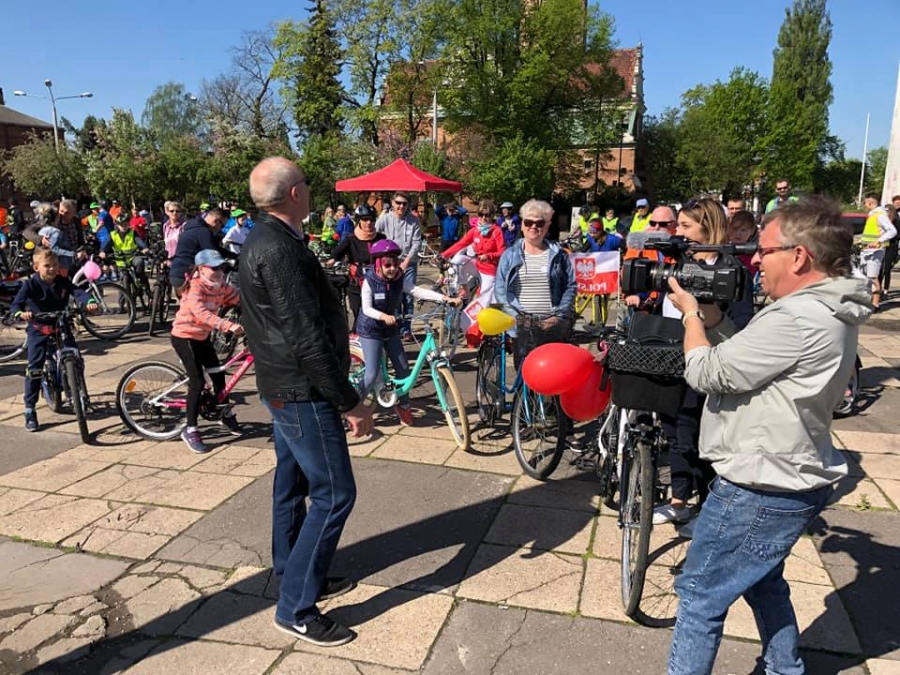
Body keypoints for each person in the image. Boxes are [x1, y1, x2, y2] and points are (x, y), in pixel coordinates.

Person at [664, 198, 871, 675]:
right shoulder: (827, 308)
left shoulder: (795, 317)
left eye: (764, 250)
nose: (755, 260)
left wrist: (691, 316)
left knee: (699, 595)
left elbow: (709, 373)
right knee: (763, 582)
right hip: (791, 472)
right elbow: (748, 358)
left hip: (760, 484)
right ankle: (784, 668)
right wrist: (714, 320)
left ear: (798, 257)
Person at [239, 156, 373, 647]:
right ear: (294, 193)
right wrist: (349, 401)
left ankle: (294, 572)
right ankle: (296, 606)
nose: (310, 190)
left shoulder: (269, 238)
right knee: (334, 494)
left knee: (291, 485)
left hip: (284, 387)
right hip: (301, 391)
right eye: (306, 183)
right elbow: (305, 336)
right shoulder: (277, 248)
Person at [652, 198, 753, 532]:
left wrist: (705, 315)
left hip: (709, 364)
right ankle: (679, 500)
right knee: (674, 433)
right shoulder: (678, 262)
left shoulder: (732, 269)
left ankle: (708, 508)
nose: (677, 232)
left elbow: (741, 324)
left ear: (708, 228)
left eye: (685, 226)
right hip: (671, 360)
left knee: (700, 439)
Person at [357, 239, 461, 425]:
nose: (392, 268)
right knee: (371, 374)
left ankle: (403, 405)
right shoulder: (370, 281)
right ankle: (353, 408)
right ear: (378, 264)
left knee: (403, 369)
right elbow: (366, 309)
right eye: (387, 265)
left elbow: (416, 290)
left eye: (395, 264)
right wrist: (382, 316)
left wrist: (444, 298)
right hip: (370, 329)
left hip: (390, 328)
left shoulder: (399, 279)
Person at [11, 249, 98, 432]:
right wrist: (20, 313)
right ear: (36, 268)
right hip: (39, 329)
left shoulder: (61, 281)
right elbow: (16, 304)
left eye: (55, 265)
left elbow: (77, 291)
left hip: (60, 325)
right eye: (47, 265)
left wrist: (88, 301)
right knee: (34, 369)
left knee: (76, 357)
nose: (52, 269)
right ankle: (30, 409)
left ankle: (79, 392)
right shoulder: (30, 285)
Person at [170, 249, 243, 453]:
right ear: (201, 269)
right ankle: (190, 429)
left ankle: (223, 413)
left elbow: (239, 298)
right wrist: (226, 325)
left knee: (219, 375)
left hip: (202, 337)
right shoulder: (195, 287)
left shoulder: (221, 286)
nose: (219, 271)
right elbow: (201, 313)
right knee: (198, 382)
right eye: (214, 267)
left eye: (221, 267)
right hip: (185, 337)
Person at [495, 199, 576, 366]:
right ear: (522, 225)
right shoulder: (509, 255)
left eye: (540, 223)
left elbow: (570, 286)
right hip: (522, 326)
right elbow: (501, 290)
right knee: (524, 373)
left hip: (551, 325)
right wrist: (518, 317)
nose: (534, 227)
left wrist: (558, 316)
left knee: (553, 373)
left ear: (547, 226)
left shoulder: (559, 255)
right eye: (528, 222)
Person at [325, 204, 385, 331]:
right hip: (356, 283)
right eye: (365, 219)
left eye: (372, 219)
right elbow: (339, 250)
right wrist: (333, 258)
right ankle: (358, 335)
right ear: (359, 220)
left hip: (376, 281)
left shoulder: (381, 238)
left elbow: (388, 253)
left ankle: (374, 336)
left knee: (376, 312)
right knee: (358, 312)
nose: (369, 222)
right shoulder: (351, 238)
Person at [375, 191, 422, 341]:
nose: (401, 206)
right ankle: (395, 326)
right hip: (391, 263)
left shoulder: (413, 220)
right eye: (398, 203)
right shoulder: (386, 218)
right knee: (395, 296)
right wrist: (383, 212)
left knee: (408, 297)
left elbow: (416, 242)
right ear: (393, 203)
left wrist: (407, 261)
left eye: (404, 203)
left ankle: (406, 329)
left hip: (409, 262)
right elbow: (375, 229)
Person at [441, 200, 505, 308]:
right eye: (481, 214)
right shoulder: (475, 230)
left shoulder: (497, 231)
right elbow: (461, 244)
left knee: (484, 301)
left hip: (490, 270)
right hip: (477, 265)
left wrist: (489, 256)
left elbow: (502, 252)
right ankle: (464, 289)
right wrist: (443, 255)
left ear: (492, 216)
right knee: (457, 260)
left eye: (487, 215)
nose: (483, 218)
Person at [169, 207, 229, 296]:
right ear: (216, 221)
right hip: (187, 275)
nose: (221, 229)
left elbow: (215, 248)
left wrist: (233, 255)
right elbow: (213, 255)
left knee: (189, 303)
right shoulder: (204, 232)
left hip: (176, 273)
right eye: (222, 226)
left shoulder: (193, 228)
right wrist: (228, 264)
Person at [860, 193, 898, 309]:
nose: (864, 205)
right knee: (866, 276)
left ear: (870, 203)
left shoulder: (880, 215)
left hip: (875, 251)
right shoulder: (872, 215)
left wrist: (879, 241)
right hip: (867, 250)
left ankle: (875, 304)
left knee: (873, 277)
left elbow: (892, 231)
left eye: (864, 202)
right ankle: (868, 301)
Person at [100, 214, 151, 288]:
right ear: (117, 225)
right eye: (121, 225)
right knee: (123, 279)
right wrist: (102, 251)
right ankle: (123, 295)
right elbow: (106, 245)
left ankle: (145, 287)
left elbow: (139, 241)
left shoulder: (133, 232)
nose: (123, 226)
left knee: (139, 263)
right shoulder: (113, 234)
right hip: (121, 261)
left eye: (125, 224)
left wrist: (144, 248)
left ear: (128, 224)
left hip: (133, 257)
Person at [878, 195, 900, 297]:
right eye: (896, 202)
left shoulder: (897, 218)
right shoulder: (883, 217)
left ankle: (886, 290)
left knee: (887, 269)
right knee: (879, 268)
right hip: (882, 244)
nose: (898, 204)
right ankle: (878, 288)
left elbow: (897, 233)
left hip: (892, 245)